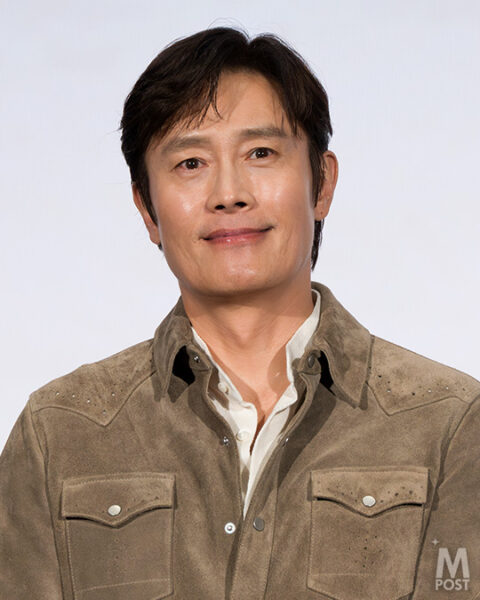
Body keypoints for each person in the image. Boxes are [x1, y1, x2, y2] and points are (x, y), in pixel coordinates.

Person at [0, 26, 478, 600]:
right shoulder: (59, 432)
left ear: (322, 184)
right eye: (190, 163)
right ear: (147, 209)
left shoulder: (450, 424)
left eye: (260, 154)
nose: (229, 193)